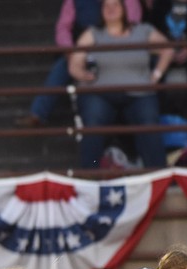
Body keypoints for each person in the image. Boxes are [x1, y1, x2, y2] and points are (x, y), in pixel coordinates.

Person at [68, 0, 173, 170]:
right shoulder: (93, 33)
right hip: (101, 92)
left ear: (124, 9)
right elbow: (74, 64)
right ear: (100, 11)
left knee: (148, 123)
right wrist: (83, 74)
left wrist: (157, 74)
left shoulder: (142, 30)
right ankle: (89, 174)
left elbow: (168, 49)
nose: (111, 9)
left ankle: (158, 176)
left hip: (140, 92)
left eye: (115, 5)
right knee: (93, 124)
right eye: (106, 6)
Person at [16, 0, 144, 128]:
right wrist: (71, 52)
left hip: (118, 53)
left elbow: (133, 27)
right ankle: (38, 113)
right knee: (63, 65)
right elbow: (63, 28)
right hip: (86, 51)